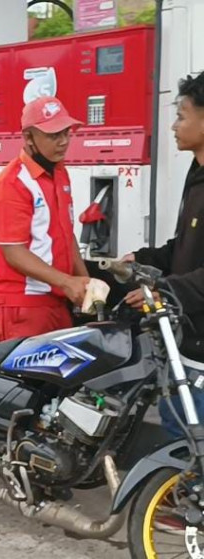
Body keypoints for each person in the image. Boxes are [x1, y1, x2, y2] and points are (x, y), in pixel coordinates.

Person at [123, 72, 204, 437]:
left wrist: (164, 293)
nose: (173, 126)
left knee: (190, 446)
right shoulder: (197, 175)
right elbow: (185, 248)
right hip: (185, 337)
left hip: (199, 352)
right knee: (178, 435)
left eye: (182, 116)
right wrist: (140, 261)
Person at [0, 96, 89, 341]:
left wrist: (84, 282)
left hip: (53, 298)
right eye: (54, 136)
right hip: (21, 303)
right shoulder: (11, 184)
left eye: (66, 133)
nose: (63, 142)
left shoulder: (59, 172)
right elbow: (14, 253)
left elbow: (65, 233)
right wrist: (67, 282)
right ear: (29, 138)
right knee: (30, 379)